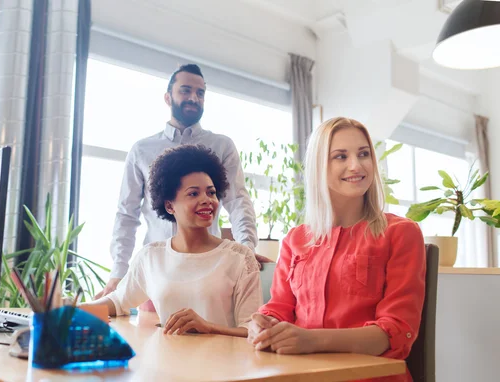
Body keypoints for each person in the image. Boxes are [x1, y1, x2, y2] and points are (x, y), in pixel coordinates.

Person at [248, 117, 425, 382]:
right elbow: (279, 306)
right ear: (319, 166)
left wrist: (310, 341)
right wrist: (261, 324)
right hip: (299, 375)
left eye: (363, 154)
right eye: (340, 156)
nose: (356, 165)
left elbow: (395, 333)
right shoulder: (295, 239)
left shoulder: (401, 233)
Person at [98, 64, 266, 298]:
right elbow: (126, 214)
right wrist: (118, 272)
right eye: (185, 90)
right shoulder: (141, 150)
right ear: (168, 97)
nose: (194, 98)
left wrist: (247, 248)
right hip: (154, 274)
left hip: (209, 271)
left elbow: (237, 201)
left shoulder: (222, 146)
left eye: (200, 93)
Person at [85, 145, 263, 337]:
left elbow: (252, 329)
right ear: (169, 205)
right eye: (194, 193)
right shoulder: (151, 257)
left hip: (221, 364)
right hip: (167, 362)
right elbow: (117, 302)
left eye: (211, 192)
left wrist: (209, 327)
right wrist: (69, 310)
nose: (207, 200)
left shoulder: (239, 258)